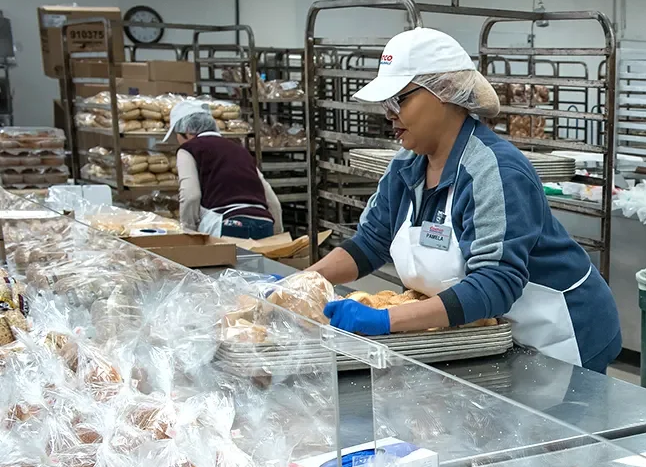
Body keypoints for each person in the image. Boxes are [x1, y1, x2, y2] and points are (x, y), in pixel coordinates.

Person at [306, 27, 622, 373]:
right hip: (491, 334)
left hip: (558, 334)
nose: (389, 114)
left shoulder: (495, 171)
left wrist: (386, 320)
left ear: (443, 91)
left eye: (399, 100)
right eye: (386, 103)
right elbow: (370, 244)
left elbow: (495, 283)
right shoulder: (407, 165)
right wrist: (302, 283)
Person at [169, 101, 282, 239]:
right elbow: (272, 200)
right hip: (264, 223)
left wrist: (188, 231)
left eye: (177, 135)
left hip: (229, 224)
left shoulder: (189, 149)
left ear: (187, 132)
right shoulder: (240, 150)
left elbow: (191, 195)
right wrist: (277, 234)